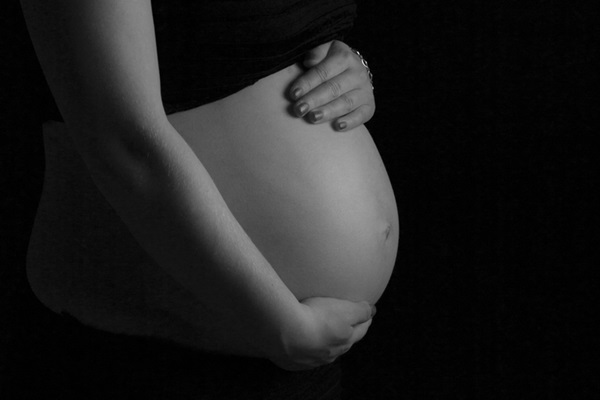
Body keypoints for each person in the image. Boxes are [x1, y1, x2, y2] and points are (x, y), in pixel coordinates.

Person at [19, 0, 398, 398]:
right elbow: (123, 144)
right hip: (163, 354)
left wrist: (348, 68)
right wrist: (282, 326)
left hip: (292, 351)